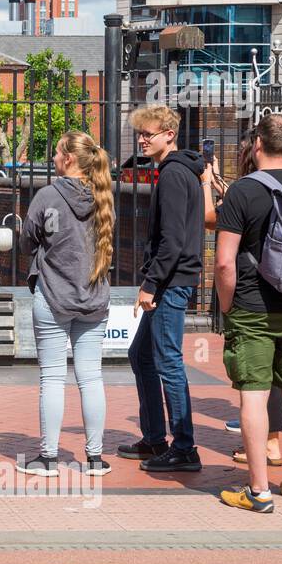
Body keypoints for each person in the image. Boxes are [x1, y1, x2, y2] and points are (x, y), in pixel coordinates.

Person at [216, 114, 282, 512]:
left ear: (257, 144)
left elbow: (225, 262)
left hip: (253, 307)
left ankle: (258, 490)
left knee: (254, 397)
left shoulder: (242, 192)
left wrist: (228, 307)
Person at [18, 131, 113, 476]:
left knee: (53, 378)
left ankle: (48, 457)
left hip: (53, 293)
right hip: (94, 294)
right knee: (91, 378)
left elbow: (28, 240)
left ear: (69, 159)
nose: (54, 158)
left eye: (57, 153)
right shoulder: (103, 194)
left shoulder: (47, 195)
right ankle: (95, 457)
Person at [116, 105, 205, 472]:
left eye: (148, 133)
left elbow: (172, 240)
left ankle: (184, 447)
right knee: (142, 355)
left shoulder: (172, 175)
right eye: (140, 134)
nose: (142, 139)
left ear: (169, 134)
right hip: (172, 279)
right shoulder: (179, 171)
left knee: (167, 361)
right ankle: (155, 438)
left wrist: (150, 284)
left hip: (171, 282)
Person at [204, 131, 282, 467]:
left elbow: (211, 221)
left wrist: (205, 184)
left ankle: (265, 454)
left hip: (253, 296)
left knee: (255, 379)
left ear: (255, 151)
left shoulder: (244, 191)